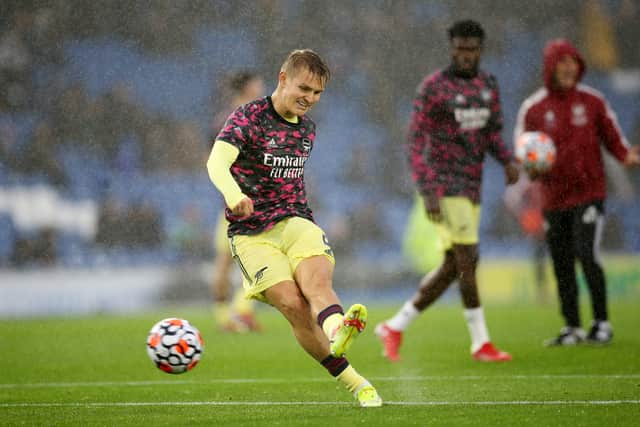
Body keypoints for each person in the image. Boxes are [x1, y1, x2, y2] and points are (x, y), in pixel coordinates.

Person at [206, 49, 382, 407]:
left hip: (296, 221)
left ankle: (338, 331)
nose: (310, 99)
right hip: (252, 235)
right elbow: (216, 162)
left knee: (317, 284)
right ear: (282, 78)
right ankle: (355, 381)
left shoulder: (307, 129)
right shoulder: (248, 117)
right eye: (304, 88)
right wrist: (234, 194)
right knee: (293, 304)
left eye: (317, 93)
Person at [375, 20, 519, 363]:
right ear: (451, 48)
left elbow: (492, 134)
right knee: (467, 261)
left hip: (472, 187)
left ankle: (395, 326)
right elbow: (415, 142)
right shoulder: (434, 88)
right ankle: (481, 343)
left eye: (472, 49)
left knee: (456, 265)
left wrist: (508, 161)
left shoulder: (488, 85)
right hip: (444, 184)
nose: (466, 55)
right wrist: (427, 190)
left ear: (480, 50)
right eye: (460, 49)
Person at [514, 38, 640, 346]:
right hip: (553, 197)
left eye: (573, 62)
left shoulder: (593, 101)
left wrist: (626, 155)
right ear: (551, 68)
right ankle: (572, 327)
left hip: (589, 193)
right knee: (560, 260)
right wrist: (530, 167)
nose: (569, 68)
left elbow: (612, 137)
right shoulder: (534, 108)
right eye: (562, 62)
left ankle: (601, 323)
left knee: (586, 253)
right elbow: (524, 149)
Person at [210, 71, 266, 333]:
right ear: (247, 87)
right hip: (238, 199)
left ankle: (240, 312)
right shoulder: (229, 119)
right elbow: (213, 158)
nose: (262, 87)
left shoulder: (258, 116)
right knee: (228, 259)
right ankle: (228, 315)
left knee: (256, 256)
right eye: (258, 83)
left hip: (256, 197)